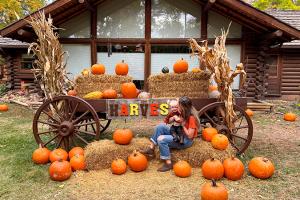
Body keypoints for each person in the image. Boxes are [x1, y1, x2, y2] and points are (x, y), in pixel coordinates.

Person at [142, 96, 200, 172]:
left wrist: (182, 124)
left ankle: (168, 163)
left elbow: (190, 135)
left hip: (185, 140)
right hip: (177, 133)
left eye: (179, 105)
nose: (177, 106)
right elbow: (168, 122)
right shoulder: (180, 112)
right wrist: (172, 118)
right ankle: (151, 148)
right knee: (160, 126)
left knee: (161, 139)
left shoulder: (191, 118)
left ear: (183, 107)